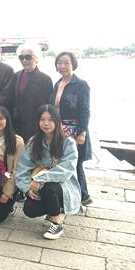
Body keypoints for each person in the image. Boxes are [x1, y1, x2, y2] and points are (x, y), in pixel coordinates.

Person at [16, 104, 81, 240]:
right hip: (39, 184)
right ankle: (52, 212)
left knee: (48, 187)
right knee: (29, 209)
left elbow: (66, 170)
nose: (46, 123)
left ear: (57, 121)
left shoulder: (68, 142)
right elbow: (22, 168)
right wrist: (27, 188)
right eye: (42, 119)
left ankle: (56, 222)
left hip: (64, 185)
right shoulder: (34, 142)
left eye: (50, 120)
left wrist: (40, 179)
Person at [51, 51, 93, 206]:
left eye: (66, 63)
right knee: (64, 163)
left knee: (76, 162)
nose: (62, 66)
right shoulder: (57, 84)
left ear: (73, 64)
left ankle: (83, 196)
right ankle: (69, 195)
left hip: (75, 130)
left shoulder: (81, 84)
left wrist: (81, 132)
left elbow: (85, 110)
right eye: (59, 63)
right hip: (59, 129)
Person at [0, 43, 53, 142]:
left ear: (36, 58)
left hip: (35, 124)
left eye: (28, 57)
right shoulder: (16, 76)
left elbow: (49, 105)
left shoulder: (45, 79)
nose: (24, 60)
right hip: (17, 124)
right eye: (21, 57)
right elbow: (5, 96)